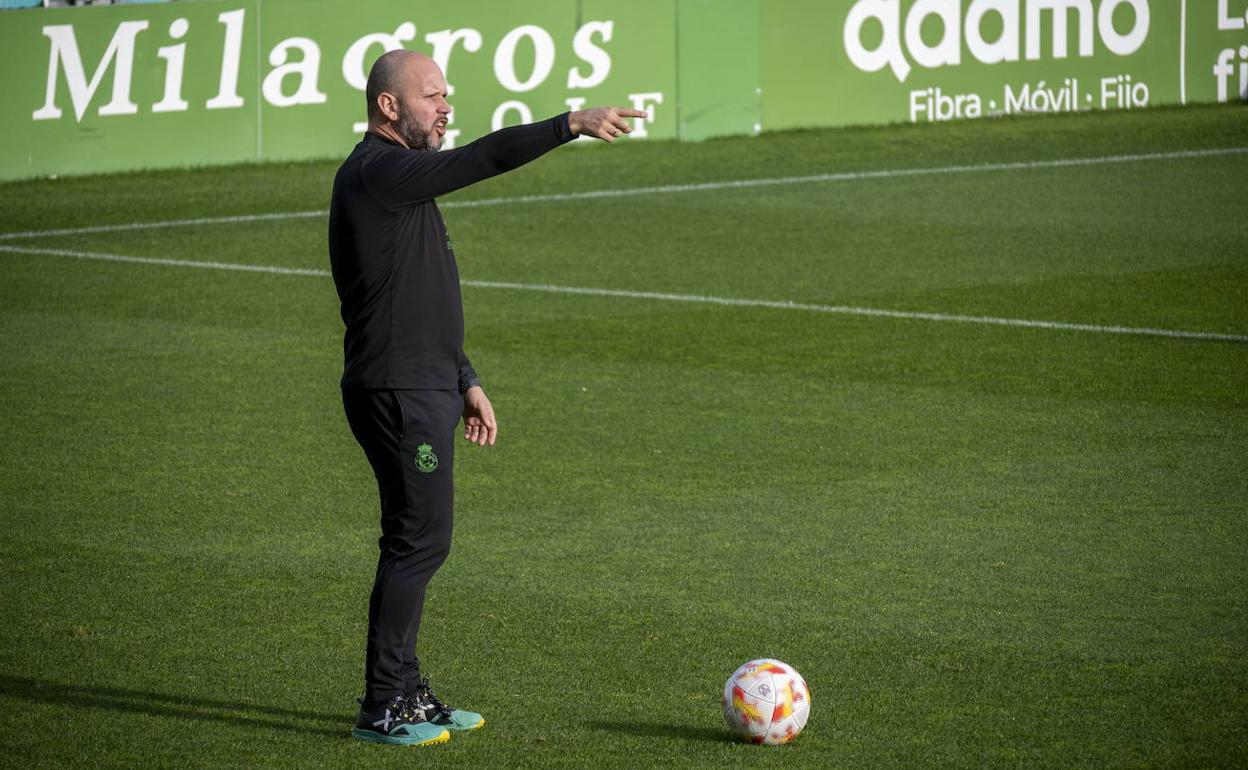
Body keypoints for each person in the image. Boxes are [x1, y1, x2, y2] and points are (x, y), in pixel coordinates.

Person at [328, 49, 645, 747]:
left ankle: (407, 692)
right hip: (400, 392)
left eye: (447, 95)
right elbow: (484, 158)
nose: (446, 107)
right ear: (389, 106)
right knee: (417, 543)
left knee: (418, 540)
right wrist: (570, 123)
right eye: (432, 96)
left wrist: (464, 378)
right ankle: (382, 706)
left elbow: (421, 298)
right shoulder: (378, 174)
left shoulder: (400, 184)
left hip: (427, 385)